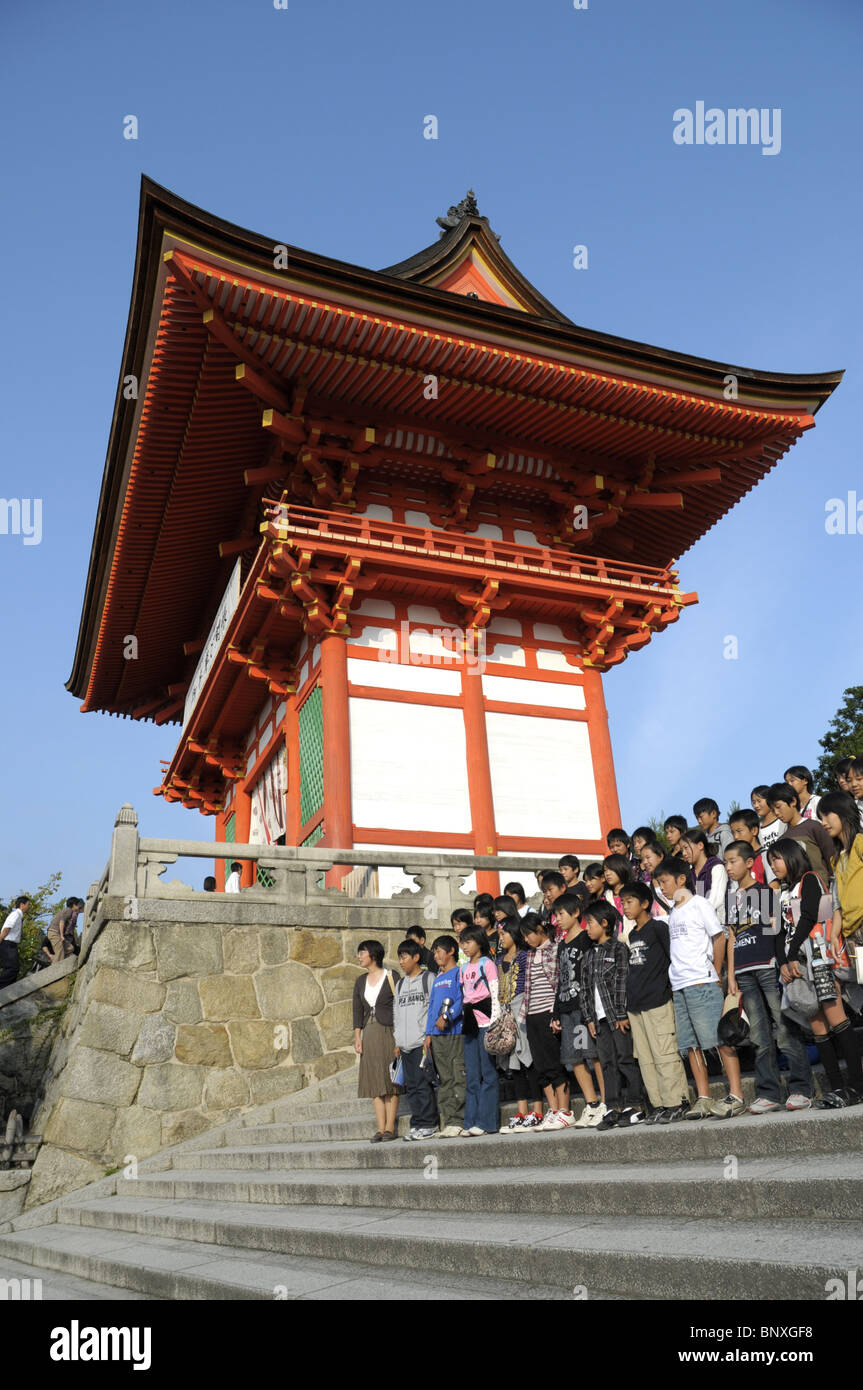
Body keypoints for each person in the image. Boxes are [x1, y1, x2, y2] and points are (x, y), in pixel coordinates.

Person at [767, 837, 863, 1107]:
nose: (773, 865)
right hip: (794, 965)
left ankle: (856, 1085)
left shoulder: (810, 879)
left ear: (791, 857)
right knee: (817, 1025)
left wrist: (792, 954)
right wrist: (783, 962)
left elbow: (811, 916)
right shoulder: (778, 893)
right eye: (770, 860)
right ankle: (837, 1088)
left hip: (817, 959)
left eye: (777, 858)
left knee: (837, 1019)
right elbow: (775, 931)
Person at [724, 840, 814, 1113]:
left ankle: (801, 1089)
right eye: (726, 862)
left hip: (767, 966)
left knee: (784, 1030)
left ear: (749, 863)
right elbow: (731, 937)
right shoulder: (731, 899)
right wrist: (730, 974)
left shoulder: (765, 892)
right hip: (743, 972)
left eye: (733, 861)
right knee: (758, 1036)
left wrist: (778, 962)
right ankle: (769, 1093)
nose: (728, 867)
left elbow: (774, 931)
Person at [654, 856, 744, 1120]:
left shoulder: (699, 904)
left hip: (701, 982)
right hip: (679, 985)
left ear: (681, 879)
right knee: (690, 1044)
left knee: (719, 1039)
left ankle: (736, 1094)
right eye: (659, 883)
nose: (662, 888)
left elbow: (719, 937)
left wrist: (716, 973)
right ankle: (704, 1097)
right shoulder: (673, 913)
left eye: (665, 882)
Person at [620, 881, 690, 1124]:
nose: (625, 907)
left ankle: (677, 1101)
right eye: (623, 902)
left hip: (658, 1000)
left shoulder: (658, 928)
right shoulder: (632, 934)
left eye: (629, 901)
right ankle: (659, 1104)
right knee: (646, 1059)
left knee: (665, 1053)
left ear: (645, 903)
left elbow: (673, 958)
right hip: (636, 1005)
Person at [580, 901, 646, 1129]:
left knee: (625, 1059)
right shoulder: (588, 955)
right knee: (607, 1063)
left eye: (590, 923)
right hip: (598, 1020)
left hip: (617, 1016)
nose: (586, 927)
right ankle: (613, 1107)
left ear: (605, 923)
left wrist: (620, 1013)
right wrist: (588, 1018)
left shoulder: (618, 949)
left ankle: (636, 1104)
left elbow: (621, 982)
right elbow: (585, 989)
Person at [552, 889, 605, 1127]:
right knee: (574, 1059)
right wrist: (555, 1011)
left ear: (575, 913)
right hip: (566, 1007)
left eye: (562, 914)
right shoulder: (561, 945)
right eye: (556, 915)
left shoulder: (586, 939)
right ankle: (591, 1103)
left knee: (593, 1055)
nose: (558, 919)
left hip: (583, 1006)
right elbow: (560, 978)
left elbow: (591, 974)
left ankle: (605, 1102)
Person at [495, 914, 543, 1130]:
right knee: (514, 1064)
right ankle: (522, 1112)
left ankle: (538, 1110)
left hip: (523, 1010)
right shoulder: (499, 960)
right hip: (506, 1014)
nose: (501, 938)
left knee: (530, 1061)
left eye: (504, 933)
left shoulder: (524, 956)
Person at [523, 915, 570, 1127]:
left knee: (553, 1063)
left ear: (540, 930)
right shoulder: (529, 954)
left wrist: (555, 1013)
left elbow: (559, 981)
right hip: (531, 1014)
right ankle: (552, 1109)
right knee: (541, 1066)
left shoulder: (555, 949)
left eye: (528, 934)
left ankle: (564, 1110)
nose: (526, 939)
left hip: (547, 1011)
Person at [352, 940, 401, 1141]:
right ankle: (380, 1128)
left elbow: (399, 1007)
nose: (359, 956)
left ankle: (390, 1127)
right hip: (369, 1032)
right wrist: (357, 1036)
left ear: (373, 954)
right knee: (373, 1080)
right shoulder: (360, 981)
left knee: (390, 1079)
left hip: (389, 1031)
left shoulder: (392, 977)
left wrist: (400, 1039)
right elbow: (357, 1010)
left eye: (362, 952)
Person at [394, 939, 438, 1140]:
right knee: (411, 1087)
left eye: (404, 957)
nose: (401, 962)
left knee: (422, 1085)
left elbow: (434, 1009)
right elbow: (396, 1013)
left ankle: (429, 1124)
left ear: (416, 957)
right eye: (399, 958)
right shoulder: (400, 983)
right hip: (404, 1044)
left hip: (421, 1042)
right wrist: (396, 1040)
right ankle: (417, 1123)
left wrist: (428, 1035)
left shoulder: (428, 978)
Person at [458, 925, 500, 1136]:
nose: (464, 946)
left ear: (479, 942)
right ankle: (471, 1121)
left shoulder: (487, 964)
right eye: (462, 942)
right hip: (470, 1021)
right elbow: (464, 994)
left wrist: (494, 1022)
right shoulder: (463, 968)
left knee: (488, 1072)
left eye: (468, 941)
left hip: (486, 1021)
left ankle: (487, 1122)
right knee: (472, 1074)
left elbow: (494, 993)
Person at [424, 935, 466, 1137]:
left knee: (458, 1074)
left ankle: (459, 1119)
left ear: (451, 951)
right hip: (437, 1035)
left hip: (454, 1033)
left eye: (439, 950)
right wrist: (428, 1032)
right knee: (445, 1079)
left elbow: (462, 999)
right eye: (434, 951)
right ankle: (449, 1119)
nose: (436, 954)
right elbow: (431, 1007)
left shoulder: (459, 973)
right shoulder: (437, 978)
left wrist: (447, 1016)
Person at [819, 790, 863, 955]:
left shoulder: (860, 843)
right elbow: (836, 904)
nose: (823, 823)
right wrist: (834, 935)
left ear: (843, 812)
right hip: (851, 933)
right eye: (821, 818)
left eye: (827, 816)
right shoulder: (835, 860)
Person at [767, 782, 835, 884]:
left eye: (778, 807)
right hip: (795, 895)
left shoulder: (813, 827)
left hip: (822, 891)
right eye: (773, 810)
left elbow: (831, 856)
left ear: (793, 801)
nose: (776, 813)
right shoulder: (782, 840)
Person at [680, 827, 728, 923]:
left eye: (686, 848)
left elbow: (716, 899)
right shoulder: (691, 873)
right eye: (682, 850)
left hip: (720, 925)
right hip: (701, 927)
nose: (684, 853)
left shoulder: (716, 867)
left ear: (700, 845)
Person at [728, 808, 776, 887]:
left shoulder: (766, 856)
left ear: (754, 830)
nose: (735, 837)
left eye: (739, 831)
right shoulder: (736, 860)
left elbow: (774, 886)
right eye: (733, 832)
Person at [602, 853, 636, 941]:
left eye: (611, 869)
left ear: (622, 868)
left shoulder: (635, 894)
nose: (607, 873)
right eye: (605, 870)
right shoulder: (604, 899)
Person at [0, 897, 30, 988]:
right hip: (7, 944)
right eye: (28, 905)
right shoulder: (15, 914)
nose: (29, 907)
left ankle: (6, 989)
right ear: (22, 905)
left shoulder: (19, 916)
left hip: (11, 945)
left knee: (12, 968)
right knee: (12, 968)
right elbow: (7, 928)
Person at [751, 785, 785, 849]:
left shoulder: (783, 821)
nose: (756, 805)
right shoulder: (757, 829)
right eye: (753, 802)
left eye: (759, 801)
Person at [46, 898, 78, 964]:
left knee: (70, 948)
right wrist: (61, 935)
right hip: (54, 932)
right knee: (60, 951)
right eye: (77, 905)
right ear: (74, 905)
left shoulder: (68, 911)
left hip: (54, 932)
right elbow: (62, 922)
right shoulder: (69, 911)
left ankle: (57, 960)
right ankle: (54, 970)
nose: (78, 907)